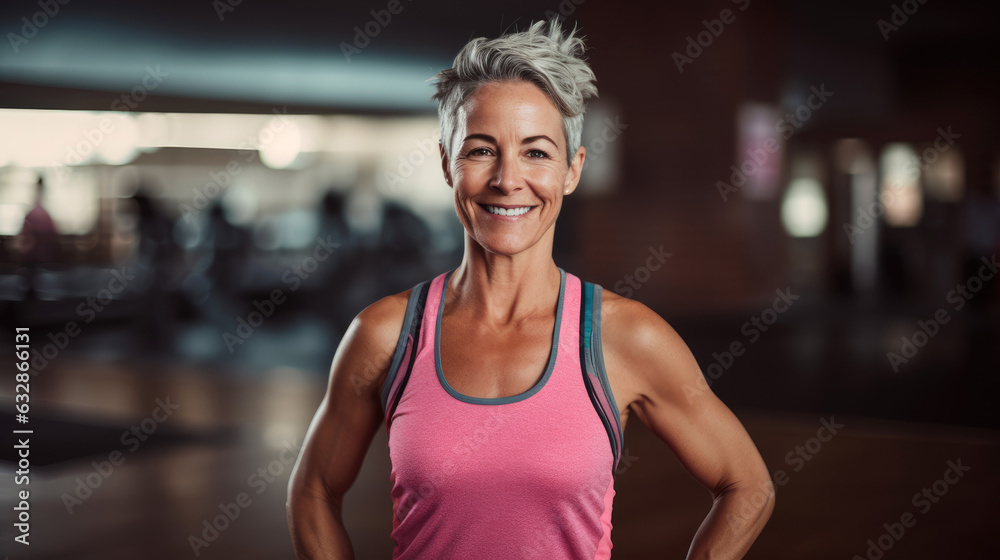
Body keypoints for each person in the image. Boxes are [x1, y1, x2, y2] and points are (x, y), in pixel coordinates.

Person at [287, 20, 774, 559]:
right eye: (480, 150)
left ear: (572, 170)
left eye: (537, 153)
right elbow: (313, 490)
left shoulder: (626, 337)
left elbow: (747, 486)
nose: (507, 179)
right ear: (448, 163)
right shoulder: (384, 334)